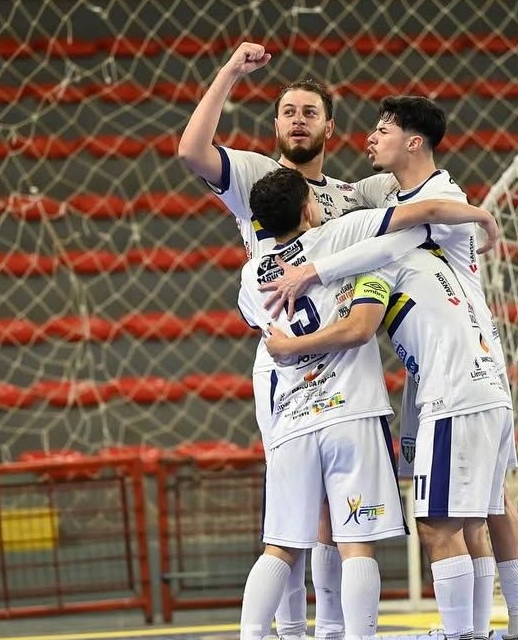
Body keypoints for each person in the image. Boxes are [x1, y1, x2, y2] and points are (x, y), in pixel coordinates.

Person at [260, 95, 518, 640]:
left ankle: (468, 632)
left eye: (382, 128)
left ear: (414, 141)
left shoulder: (436, 199)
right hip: (467, 374)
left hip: (453, 378)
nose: (370, 137)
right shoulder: (405, 202)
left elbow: (402, 242)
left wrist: (311, 271)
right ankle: (506, 628)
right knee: (482, 509)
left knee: (442, 521)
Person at [236, 166, 502, 640]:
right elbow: (427, 213)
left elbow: (265, 333)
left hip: (293, 420)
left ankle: (255, 635)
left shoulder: (251, 274)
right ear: (307, 208)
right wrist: (479, 214)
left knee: (278, 546)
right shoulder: (340, 235)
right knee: (356, 544)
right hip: (352, 413)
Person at [177, 41, 376, 639]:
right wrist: (232, 71)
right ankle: (295, 632)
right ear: (275, 124)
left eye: (308, 112)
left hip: (332, 358)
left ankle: (330, 630)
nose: (296, 119)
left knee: (318, 524)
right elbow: (190, 150)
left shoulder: (348, 195)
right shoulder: (260, 176)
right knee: (310, 523)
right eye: (288, 110)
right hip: (296, 370)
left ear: (329, 127)